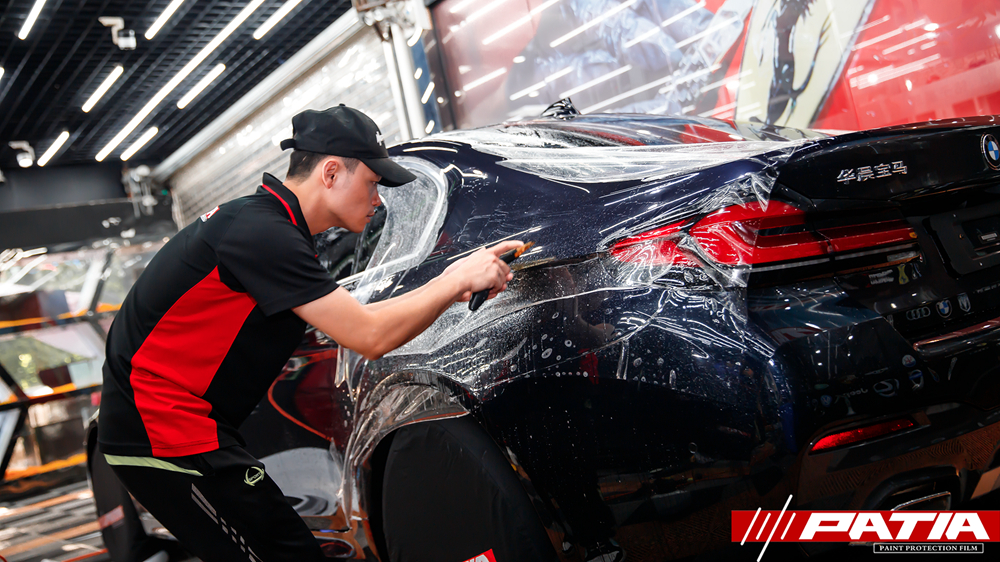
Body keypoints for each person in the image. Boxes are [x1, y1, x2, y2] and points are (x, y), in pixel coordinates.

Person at [96, 105, 522, 562]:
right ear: (331, 172)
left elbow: (353, 317)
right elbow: (368, 336)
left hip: (179, 427)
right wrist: (453, 281)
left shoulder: (268, 225)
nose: (378, 200)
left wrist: (448, 286)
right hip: (161, 431)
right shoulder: (263, 233)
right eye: (372, 183)